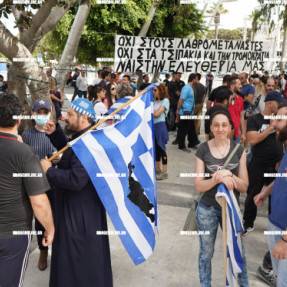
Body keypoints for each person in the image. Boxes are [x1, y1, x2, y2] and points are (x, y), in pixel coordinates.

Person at [41, 98, 113, 287]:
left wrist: (49, 171)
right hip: (79, 211)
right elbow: (73, 150)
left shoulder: (89, 144)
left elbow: (76, 180)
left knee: (76, 263)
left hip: (79, 217)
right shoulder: (85, 138)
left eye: (71, 115)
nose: (65, 118)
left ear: (84, 119)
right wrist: (55, 134)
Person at [0, 93, 54, 287]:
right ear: (19, 119)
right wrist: (50, 227)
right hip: (13, 237)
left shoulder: (25, 148)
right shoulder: (25, 152)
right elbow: (38, 201)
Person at [194, 109, 249, 287]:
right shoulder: (202, 149)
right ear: (210, 127)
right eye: (216, 125)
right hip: (207, 209)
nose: (220, 129)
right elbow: (199, 185)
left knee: (237, 252)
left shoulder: (238, 150)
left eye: (224, 125)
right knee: (206, 253)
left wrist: (230, 176)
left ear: (230, 127)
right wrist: (217, 177)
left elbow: (244, 186)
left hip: (231, 210)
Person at [22, 99, 58, 271]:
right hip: (36, 184)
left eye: (45, 112)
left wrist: (58, 158)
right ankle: (43, 250)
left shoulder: (54, 133)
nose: (42, 116)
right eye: (39, 112)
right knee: (40, 220)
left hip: (54, 183)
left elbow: (62, 154)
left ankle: (57, 250)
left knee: (56, 217)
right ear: (32, 114)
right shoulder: (27, 135)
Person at [243, 91, 285, 235]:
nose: (280, 107)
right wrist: (271, 127)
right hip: (258, 163)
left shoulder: (282, 120)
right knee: (253, 193)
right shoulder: (255, 119)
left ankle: (275, 226)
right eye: (278, 104)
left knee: (276, 195)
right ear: (269, 103)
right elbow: (253, 140)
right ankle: (248, 223)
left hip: (276, 163)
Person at [254, 102, 287, 287]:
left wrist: (285, 239)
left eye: (279, 119)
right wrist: (266, 191)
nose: (274, 124)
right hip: (276, 224)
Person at [176, 73, 197, 152]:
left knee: (191, 129)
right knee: (183, 129)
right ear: (194, 79)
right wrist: (178, 110)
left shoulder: (190, 87)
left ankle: (191, 143)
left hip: (189, 112)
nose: (197, 80)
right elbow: (181, 100)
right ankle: (181, 146)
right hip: (185, 112)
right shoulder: (186, 88)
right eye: (197, 79)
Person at [153, 84, 170, 180]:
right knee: (156, 150)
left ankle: (164, 172)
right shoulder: (154, 101)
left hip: (160, 126)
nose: (154, 92)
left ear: (160, 91)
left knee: (162, 149)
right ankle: (157, 169)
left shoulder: (165, 101)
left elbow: (157, 114)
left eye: (155, 90)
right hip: (154, 127)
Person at [227, 76, 245, 143]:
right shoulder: (222, 98)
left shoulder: (240, 99)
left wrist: (243, 133)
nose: (241, 86)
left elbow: (241, 116)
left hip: (236, 134)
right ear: (232, 86)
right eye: (239, 84)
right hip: (224, 134)